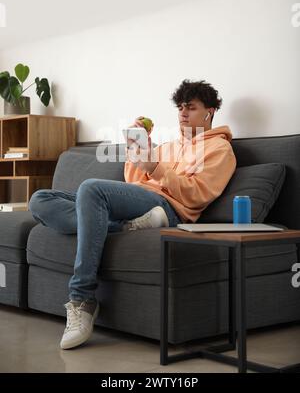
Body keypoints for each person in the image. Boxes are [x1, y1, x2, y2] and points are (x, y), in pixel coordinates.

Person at [28, 79, 237, 349]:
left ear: (209, 112)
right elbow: (133, 180)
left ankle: (82, 299)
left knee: (91, 189)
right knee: (40, 199)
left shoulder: (220, 149)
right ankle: (125, 227)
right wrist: (138, 149)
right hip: (140, 201)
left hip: (168, 208)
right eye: (181, 107)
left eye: (191, 108)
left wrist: (157, 169)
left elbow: (197, 194)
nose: (183, 113)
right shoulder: (169, 146)